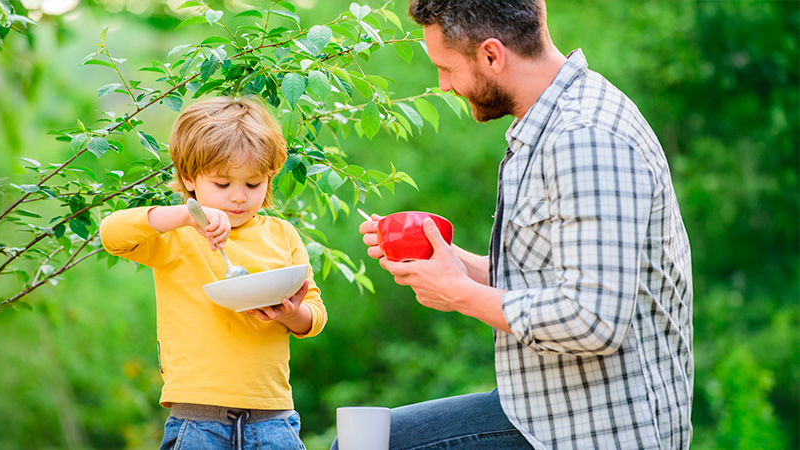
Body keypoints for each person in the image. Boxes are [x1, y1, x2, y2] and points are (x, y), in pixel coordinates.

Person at [345, 1, 694, 449]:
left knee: (369, 444)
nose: (443, 85)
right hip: (544, 408)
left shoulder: (584, 137)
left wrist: (460, 295)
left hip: (594, 429)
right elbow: (551, 280)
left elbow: (594, 319)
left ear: (492, 54)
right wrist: (452, 264)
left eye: (447, 68)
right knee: (363, 437)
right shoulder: (550, 123)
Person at [100, 96, 326, 450]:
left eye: (253, 184)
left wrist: (293, 313)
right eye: (222, 185)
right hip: (198, 420)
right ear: (189, 178)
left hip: (274, 417)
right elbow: (112, 234)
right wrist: (186, 215)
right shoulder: (176, 236)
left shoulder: (282, 235)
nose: (238, 198)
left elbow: (315, 314)